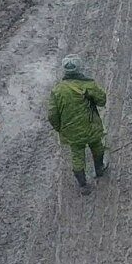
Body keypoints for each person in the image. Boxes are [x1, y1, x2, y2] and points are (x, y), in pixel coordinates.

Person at [48, 55, 108, 195]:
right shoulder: (89, 85)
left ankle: (83, 185)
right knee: (97, 146)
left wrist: (60, 128)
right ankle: (99, 169)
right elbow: (102, 101)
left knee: (77, 155)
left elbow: (52, 115)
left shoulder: (57, 91)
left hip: (72, 132)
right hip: (91, 126)